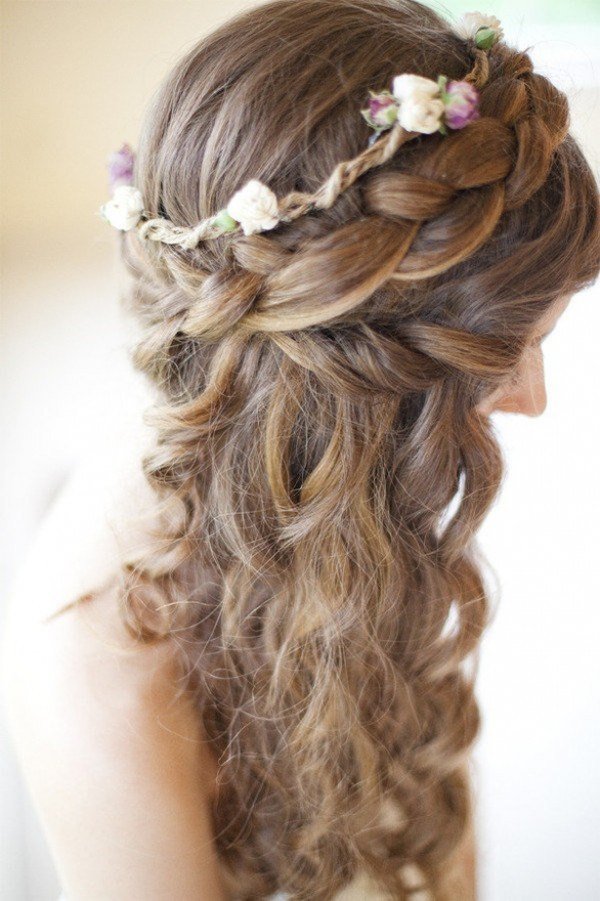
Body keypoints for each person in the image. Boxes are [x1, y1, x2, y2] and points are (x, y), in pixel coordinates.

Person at [2, 0, 599, 898]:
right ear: (345, 378)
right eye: (506, 353)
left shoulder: (352, 468)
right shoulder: (103, 670)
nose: (534, 401)